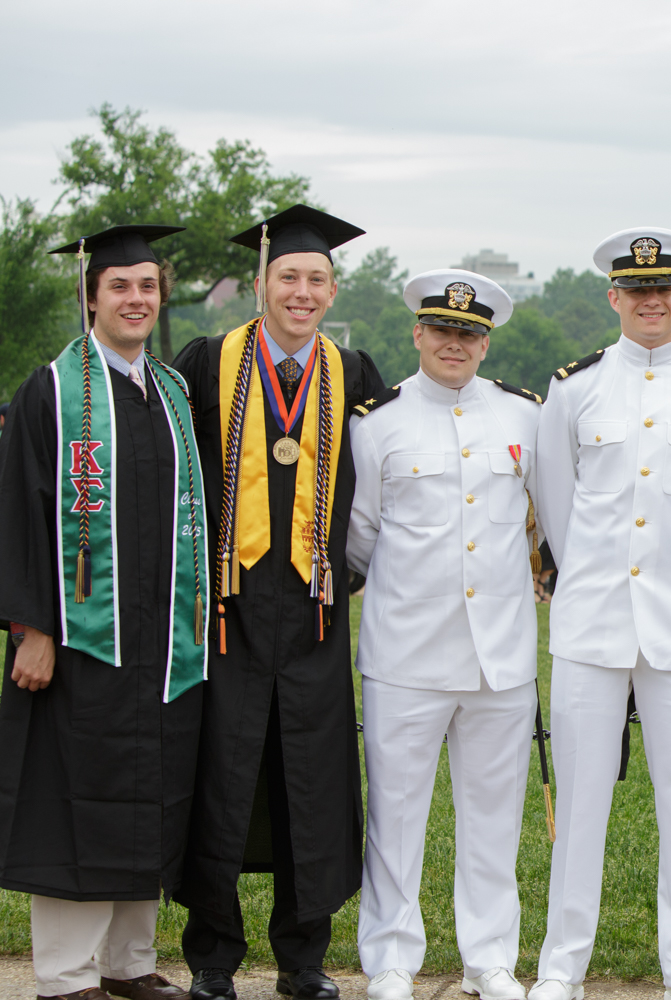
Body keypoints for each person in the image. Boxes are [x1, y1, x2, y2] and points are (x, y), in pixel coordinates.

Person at [171, 206, 385, 1000]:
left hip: (314, 613)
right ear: (260, 283)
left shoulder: (354, 376)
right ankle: (214, 959)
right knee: (220, 775)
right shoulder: (205, 365)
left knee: (313, 778)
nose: (301, 292)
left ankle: (303, 959)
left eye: (316, 280)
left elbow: (376, 494)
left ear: (333, 290)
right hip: (224, 610)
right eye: (288, 277)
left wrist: (348, 575)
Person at [532, 227, 671, 1000]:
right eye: (636, 289)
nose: (651, 300)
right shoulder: (575, 388)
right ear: (614, 296)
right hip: (592, 623)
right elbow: (555, 507)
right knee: (582, 807)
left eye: (664, 288)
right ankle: (563, 966)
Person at [0, 225, 208, 1000]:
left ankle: (126, 962)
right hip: (82, 643)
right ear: (91, 296)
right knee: (75, 794)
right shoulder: (52, 391)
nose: (136, 299)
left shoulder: (174, 394)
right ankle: (65, 973)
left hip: (162, 646)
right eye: (120, 286)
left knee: (149, 788)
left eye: (148, 287)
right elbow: (18, 513)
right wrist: (33, 628)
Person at [347, 269, 543, 1000]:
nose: (454, 343)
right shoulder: (379, 423)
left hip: (500, 655)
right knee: (394, 816)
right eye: (441, 330)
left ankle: (489, 957)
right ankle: (391, 956)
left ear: (486, 342)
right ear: (417, 333)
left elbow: (547, 520)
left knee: (493, 818)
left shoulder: (526, 418)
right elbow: (361, 539)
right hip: (406, 652)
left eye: (469, 333)